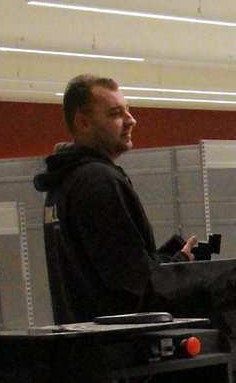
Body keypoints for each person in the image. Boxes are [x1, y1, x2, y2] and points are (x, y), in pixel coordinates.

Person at [34, 75, 195, 323]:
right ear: (83, 122)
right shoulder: (98, 182)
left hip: (82, 340)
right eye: (115, 113)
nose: (131, 120)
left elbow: (108, 271)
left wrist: (164, 260)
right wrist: (180, 264)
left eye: (128, 110)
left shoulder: (61, 183)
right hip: (119, 343)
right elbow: (135, 287)